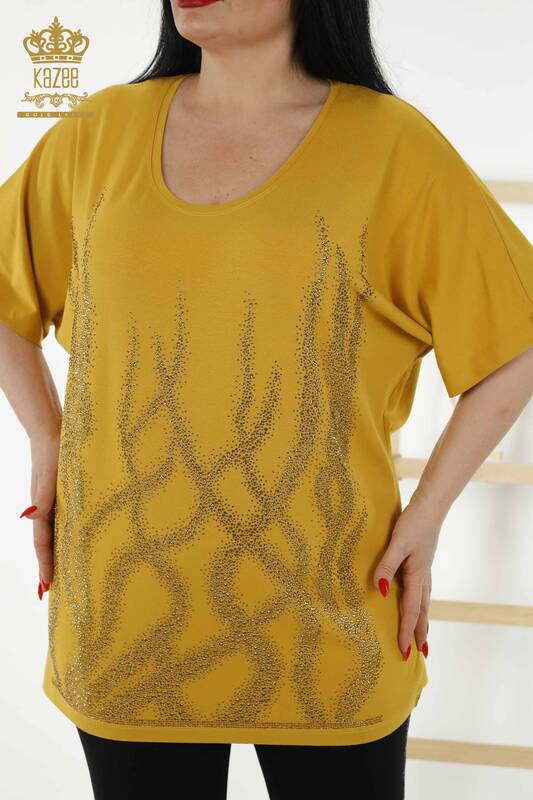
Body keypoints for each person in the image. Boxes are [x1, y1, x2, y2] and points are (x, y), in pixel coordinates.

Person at [1, 0, 533, 798]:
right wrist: (47, 434)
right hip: (124, 612)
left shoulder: (391, 146)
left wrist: (425, 515)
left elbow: (514, 339)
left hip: (333, 608)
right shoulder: (97, 132)